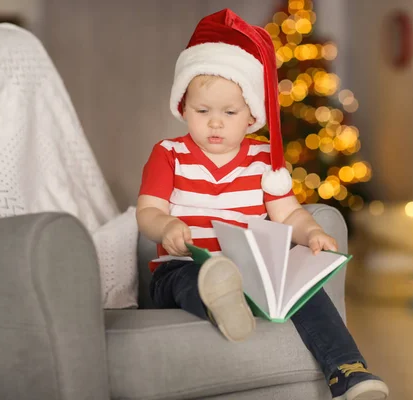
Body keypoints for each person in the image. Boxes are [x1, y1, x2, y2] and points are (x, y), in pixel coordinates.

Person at [135, 9, 389, 400]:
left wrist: (313, 232)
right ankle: (225, 301)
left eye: (229, 113)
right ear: (182, 108)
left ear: (252, 115)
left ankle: (349, 373)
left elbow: (288, 212)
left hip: (251, 272)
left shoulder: (263, 162)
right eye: (202, 111)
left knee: (306, 294)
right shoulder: (169, 154)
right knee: (191, 280)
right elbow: (148, 211)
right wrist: (166, 228)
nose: (215, 123)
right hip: (181, 268)